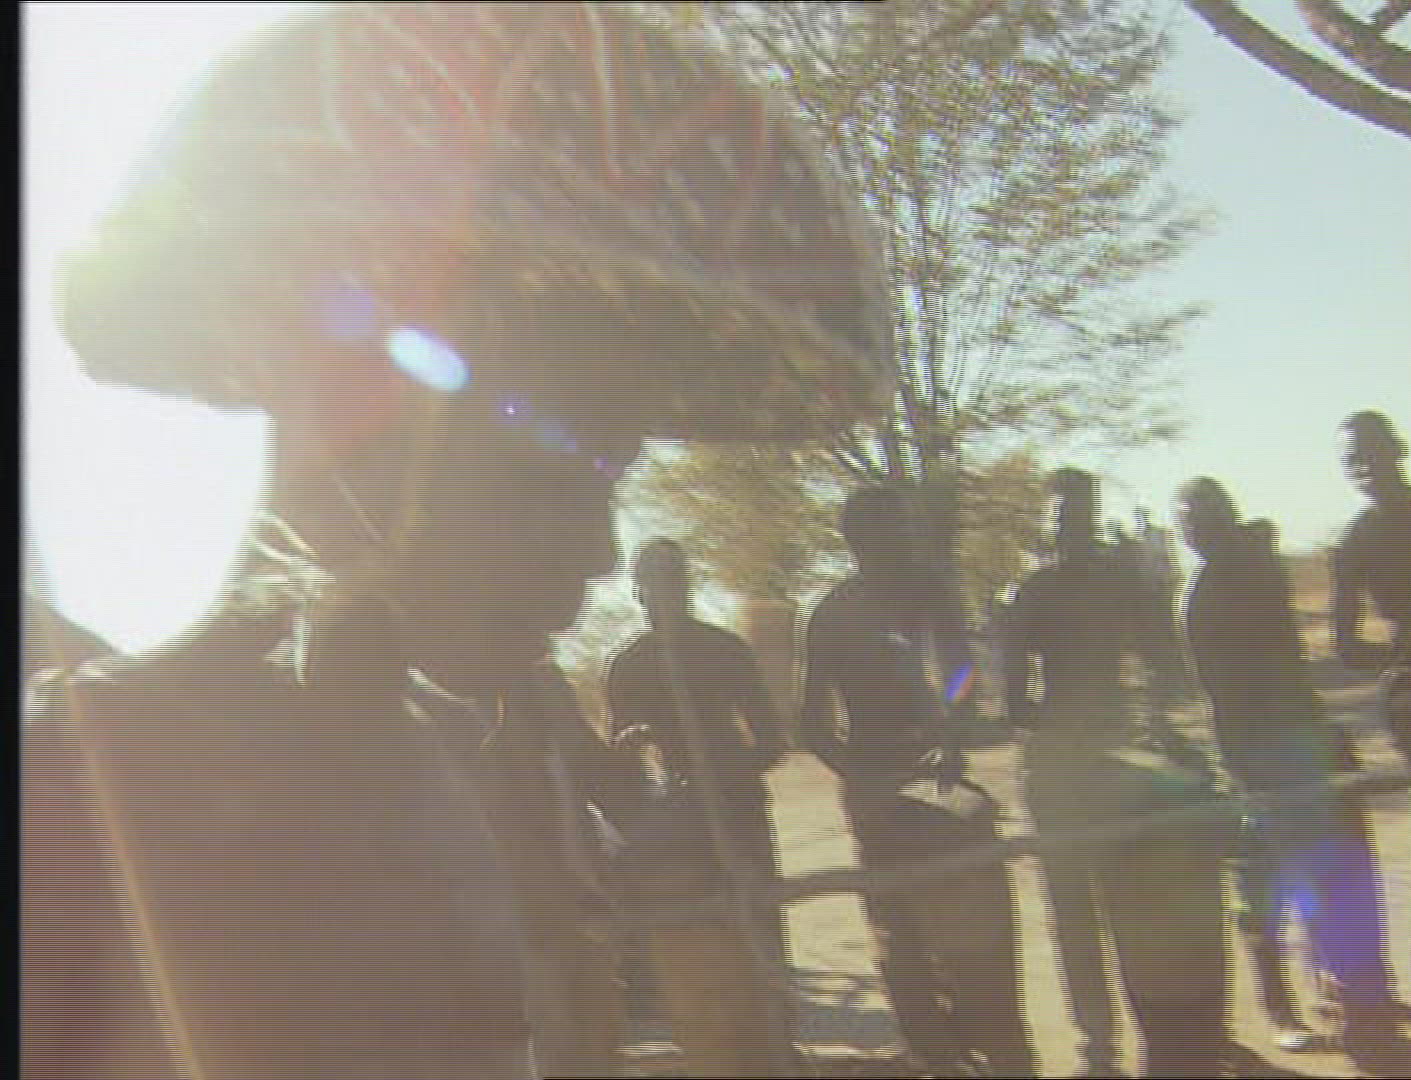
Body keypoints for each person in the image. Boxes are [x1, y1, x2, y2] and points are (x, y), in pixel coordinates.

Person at [21, 5, 892, 1078]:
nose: (600, 552)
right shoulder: (69, 798)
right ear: (355, 416)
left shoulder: (437, 756)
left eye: (611, 482)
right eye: (545, 476)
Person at [1176, 478, 1411, 1073]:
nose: (1213, 527)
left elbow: (1285, 661)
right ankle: (1289, 1008)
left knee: (1347, 875)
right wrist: (1248, 768)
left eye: (1218, 513)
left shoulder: (1255, 570)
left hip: (1307, 736)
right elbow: (1225, 693)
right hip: (1259, 753)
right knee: (1277, 885)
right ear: (1188, 533)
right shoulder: (1203, 595)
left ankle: (1362, 997)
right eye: (1198, 519)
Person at [798, 483, 1035, 1078]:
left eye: (902, 527)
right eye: (887, 529)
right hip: (879, 795)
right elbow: (812, 721)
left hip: (942, 786)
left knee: (982, 938)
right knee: (903, 939)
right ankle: (937, 1055)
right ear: (856, 539)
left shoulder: (931, 593)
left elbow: (963, 677)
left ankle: (998, 1049)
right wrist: (865, 776)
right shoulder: (833, 612)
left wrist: (950, 738)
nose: (900, 539)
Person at [1002, 467, 1231, 1079]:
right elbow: (1011, 694)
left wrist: (1147, 723)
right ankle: (1098, 1044)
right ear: (1050, 525)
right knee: (1076, 909)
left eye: (1080, 515)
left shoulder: (1117, 584)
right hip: (1063, 766)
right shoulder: (1033, 591)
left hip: (1112, 761)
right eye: (1063, 516)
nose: (1072, 527)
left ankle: (1156, 1037)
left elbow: (1167, 664)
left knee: (1133, 906)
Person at [606, 537, 796, 1074]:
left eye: (674, 579)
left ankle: (780, 1050)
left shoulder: (724, 649)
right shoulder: (628, 664)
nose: (665, 592)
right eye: (653, 582)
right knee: (698, 949)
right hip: (678, 823)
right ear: (638, 592)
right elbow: (617, 760)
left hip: (739, 808)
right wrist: (636, 747)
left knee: (760, 933)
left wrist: (726, 771)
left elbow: (773, 740)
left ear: (688, 585)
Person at [1332, 409, 1411, 996]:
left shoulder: (1362, 537)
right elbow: (1346, 645)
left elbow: (1347, 646)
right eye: (1356, 457)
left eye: (1371, 452)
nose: (1366, 465)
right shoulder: (1356, 540)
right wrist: (1404, 656)